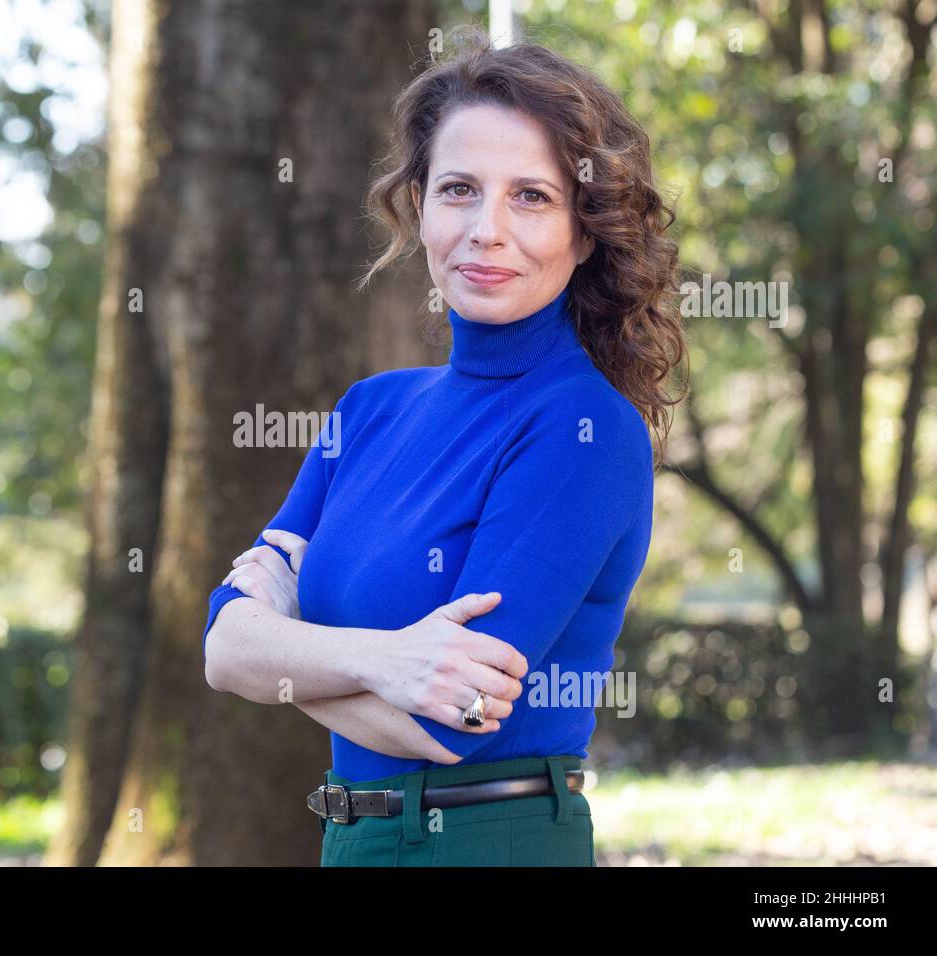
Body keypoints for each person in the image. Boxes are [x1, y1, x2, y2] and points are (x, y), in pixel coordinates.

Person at [202, 28, 687, 867]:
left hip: (488, 839)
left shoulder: (586, 430)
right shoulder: (370, 410)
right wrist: (388, 660)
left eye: (531, 196)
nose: (487, 229)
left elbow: (446, 719)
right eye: (459, 189)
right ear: (419, 205)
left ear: (584, 231)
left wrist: (278, 648)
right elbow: (220, 650)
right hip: (350, 840)